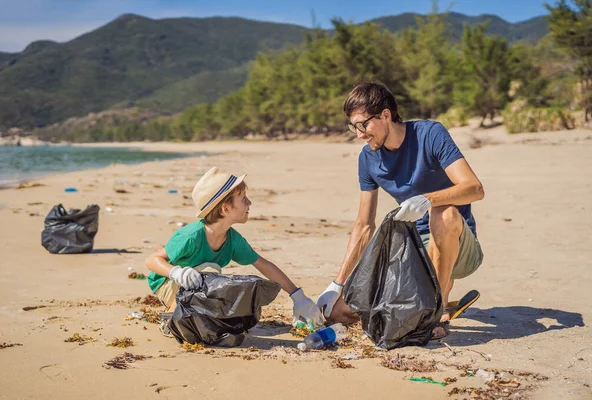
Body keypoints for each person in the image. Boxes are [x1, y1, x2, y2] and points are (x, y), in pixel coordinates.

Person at [316, 83, 485, 339]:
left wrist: (428, 200)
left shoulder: (430, 134)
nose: (359, 134)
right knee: (337, 312)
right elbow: (364, 226)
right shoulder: (368, 159)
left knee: (443, 212)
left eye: (363, 125)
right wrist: (336, 284)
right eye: (353, 127)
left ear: (385, 115)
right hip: (410, 250)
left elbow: (474, 188)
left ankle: (433, 310)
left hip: (457, 244)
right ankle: (422, 302)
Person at [145, 166, 323, 336]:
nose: (249, 202)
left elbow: (264, 266)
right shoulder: (192, 236)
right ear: (226, 208)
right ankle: (171, 317)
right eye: (244, 198)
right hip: (168, 282)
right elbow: (152, 261)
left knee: (231, 291)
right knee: (207, 276)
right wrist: (176, 272)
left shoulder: (233, 240)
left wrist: (297, 296)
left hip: (200, 282)